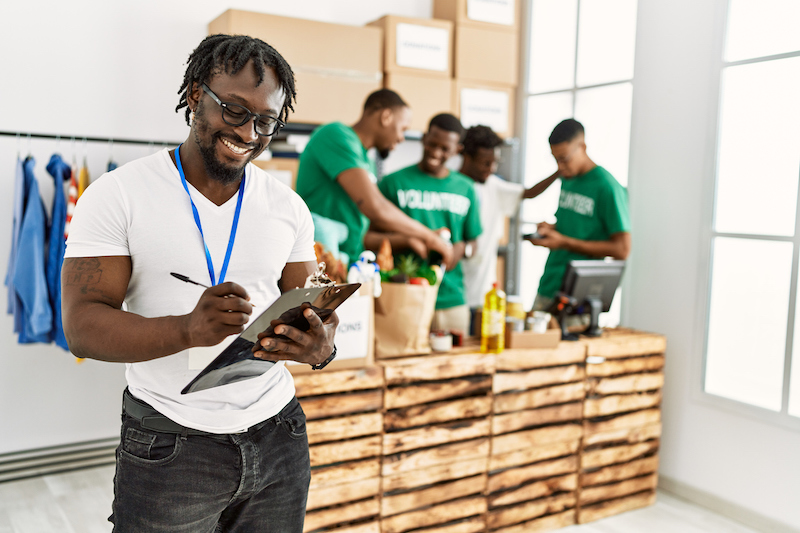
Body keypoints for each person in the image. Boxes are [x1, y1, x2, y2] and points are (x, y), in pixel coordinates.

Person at [61, 34, 336, 532]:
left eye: (266, 121)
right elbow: (82, 326)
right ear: (194, 95)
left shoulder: (287, 206)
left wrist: (320, 346)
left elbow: (310, 308)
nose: (249, 132)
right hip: (170, 444)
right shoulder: (118, 195)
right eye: (233, 110)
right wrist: (188, 328)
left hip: (278, 434)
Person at [295, 89, 453, 268]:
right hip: (318, 264)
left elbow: (361, 236)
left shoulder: (366, 162)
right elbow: (376, 208)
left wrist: (409, 239)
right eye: (403, 129)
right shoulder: (336, 135)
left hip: (344, 265)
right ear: (386, 116)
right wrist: (429, 236)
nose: (401, 138)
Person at [373, 113, 482, 334]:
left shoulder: (466, 188)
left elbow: (473, 241)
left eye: (445, 149)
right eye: (432, 144)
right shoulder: (393, 183)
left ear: (457, 150)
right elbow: (368, 239)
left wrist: (461, 249)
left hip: (452, 300)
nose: (435, 153)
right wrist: (409, 241)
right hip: (403, 297)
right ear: (423, 138)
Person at [525, 118, 631, 313]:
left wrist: (564, 241)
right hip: (549, 285)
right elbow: (578, 226)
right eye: (555, 159)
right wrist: (551, 230)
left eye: (564, 158)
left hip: (578, 298)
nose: (560, 166)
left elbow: (622, 249)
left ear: (582, 147)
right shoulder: (568, 179)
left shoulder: (607, 187)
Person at [458, 125, 560, 323]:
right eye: (485, 163)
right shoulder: (453, 187)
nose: (491, 169)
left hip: (483, 294)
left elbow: (529, 193)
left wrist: (559, 172)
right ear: (467, 157)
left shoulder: (492, 186)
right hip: (455, 293)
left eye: (495, 162)